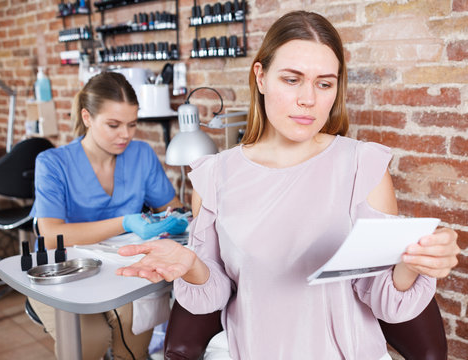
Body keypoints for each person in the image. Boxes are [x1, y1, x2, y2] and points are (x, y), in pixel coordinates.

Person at [115, 11, 460, 359]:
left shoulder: (363, 166)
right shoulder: (214, 175)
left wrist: (414, 263)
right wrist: (190, 265)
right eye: (292, 79)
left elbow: (385, 298)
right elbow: (216, 293)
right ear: (261, 77)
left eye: (324, 83)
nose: (308, 99)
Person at [29, 71, 187, 360]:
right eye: (113, 125)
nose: (125, 135)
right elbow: (50, 234)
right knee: (91, 340)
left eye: (132, 124)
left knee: (134, 339)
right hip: (63, 272)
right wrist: (125, 222)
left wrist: (174, 217)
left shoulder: (141, 154)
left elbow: (170, 206)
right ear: (87, 117)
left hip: (120, 270)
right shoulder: (53, 163)